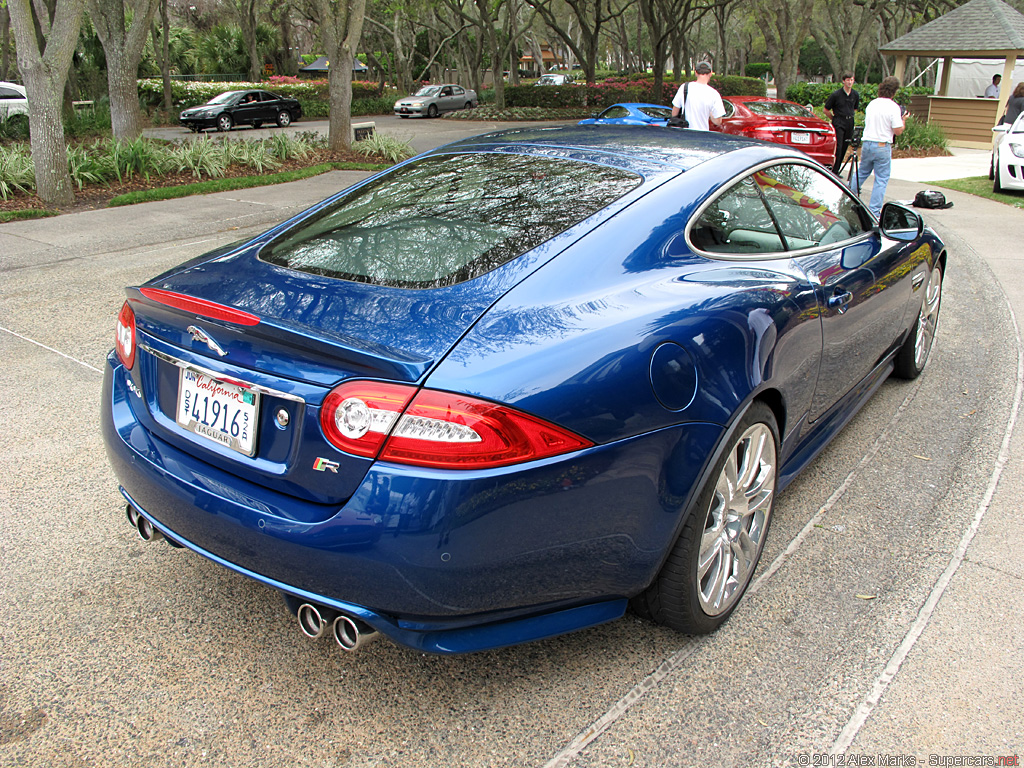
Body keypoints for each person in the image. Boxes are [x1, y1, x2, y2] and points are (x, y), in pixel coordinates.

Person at [855, 76, 904, 218]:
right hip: (882, 145)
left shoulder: (872, 104)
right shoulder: (893, 107)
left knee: (861, 173)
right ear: (894, 91)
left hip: (867, 143)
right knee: (881, 179)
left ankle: (846, 197)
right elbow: (897, 130)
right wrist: (903, 120)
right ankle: (874, 212)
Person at [671, 61, 725, 131]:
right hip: (702, 136)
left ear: (696, 73)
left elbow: (674, 112)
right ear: (711, 73)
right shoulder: (714, 94)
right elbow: (718, 121)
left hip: (685, 134)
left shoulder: (684, 87)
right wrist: (710, 113)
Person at [823, 72, 860, 174]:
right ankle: (834, 170)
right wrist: (834, 118)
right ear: (844, 81)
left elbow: (855, 109)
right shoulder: (836, 95)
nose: (850, 82)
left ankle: (838, 170)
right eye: (848, 80)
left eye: (851, 80)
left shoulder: (855, 95)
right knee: (838, 146)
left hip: (849, 121)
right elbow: (826, 110)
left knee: (845, 145)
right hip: (839, 121)